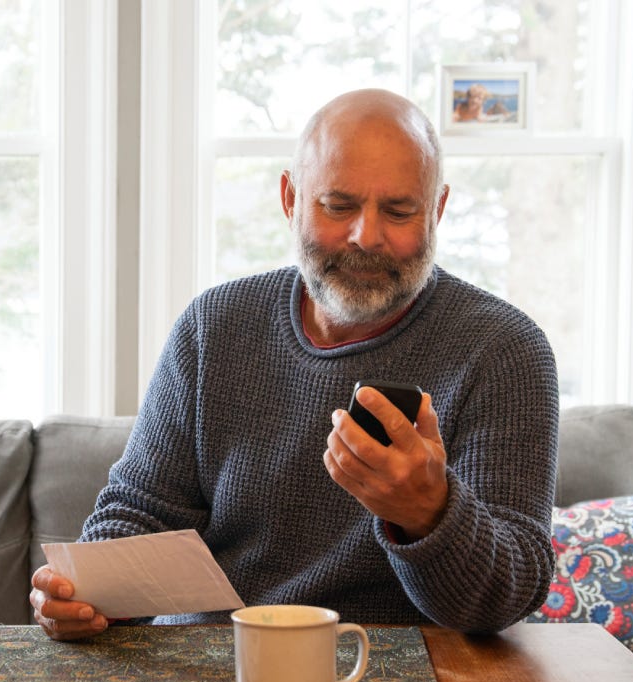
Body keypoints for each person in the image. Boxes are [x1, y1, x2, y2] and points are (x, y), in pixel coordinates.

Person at [30, 88, 559, 641]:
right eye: (339, 206)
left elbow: (506, 599)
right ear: (290, 198)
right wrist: (81, 595)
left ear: (438, 210)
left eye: (399, 211)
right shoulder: (215, 326)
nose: (366, 236)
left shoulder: (503, 350)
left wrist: (429, 514)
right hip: (208, 662)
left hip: (393, 670)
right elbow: (140, 513)